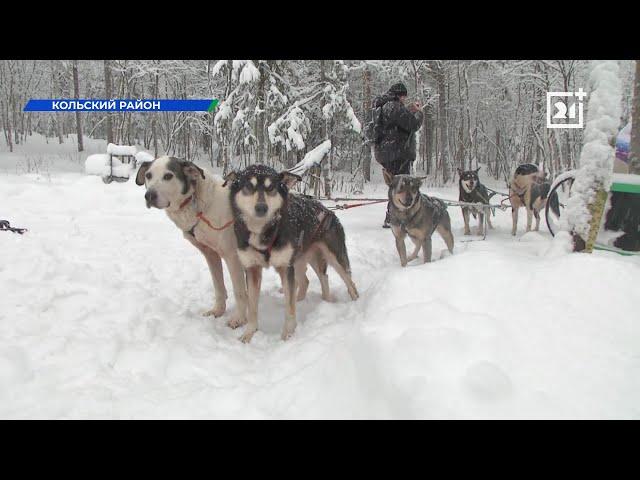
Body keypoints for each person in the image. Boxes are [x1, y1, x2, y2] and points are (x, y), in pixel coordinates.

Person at [372, 82, 424, 227]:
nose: (404, 100)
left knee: (395, 185)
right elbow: (412, 124)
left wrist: (408, 110)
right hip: (398, 153)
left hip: (385, 153)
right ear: (400, 95)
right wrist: (419, 113)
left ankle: (392, 216)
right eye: (404, 97)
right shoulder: (394, 106)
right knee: (402, 186)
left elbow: (397, 123)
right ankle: (395, 218)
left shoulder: (383, 106)